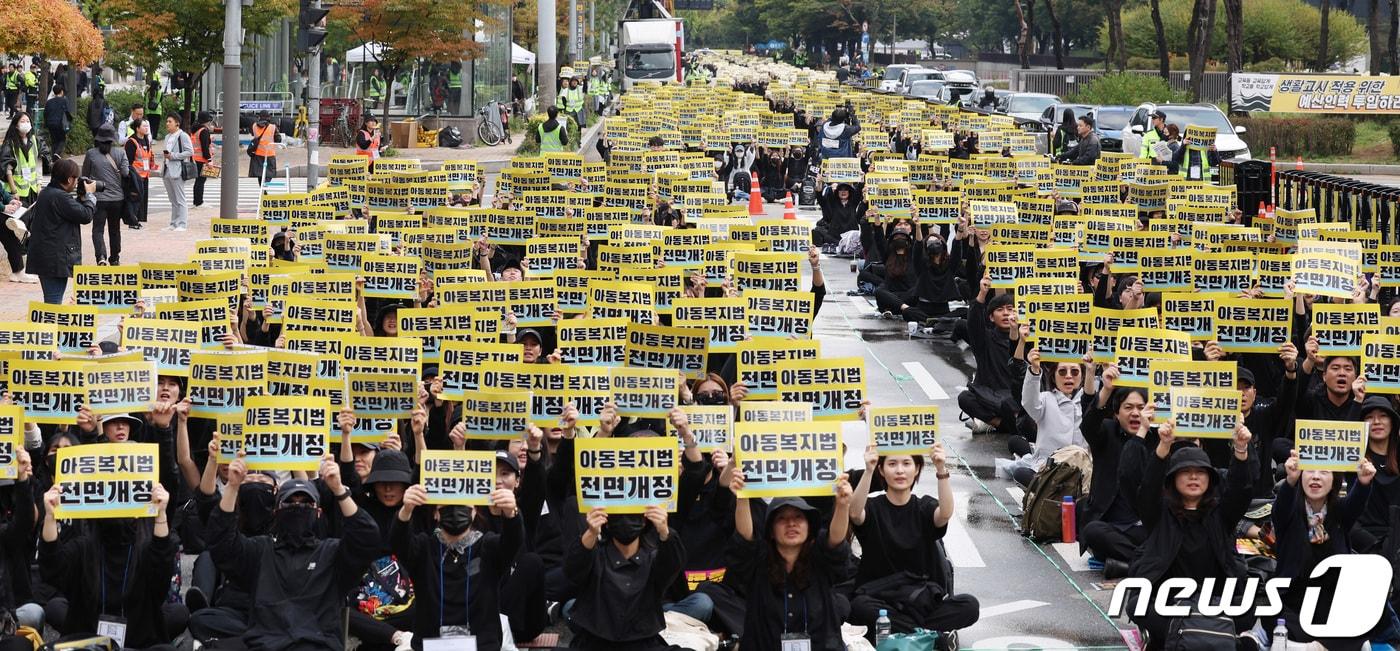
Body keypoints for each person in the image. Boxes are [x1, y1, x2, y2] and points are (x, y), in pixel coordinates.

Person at [206, 455, 381, 650]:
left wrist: (339, 490)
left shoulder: (332, 553)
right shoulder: (261, 551)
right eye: (290, 503)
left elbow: (367, 538)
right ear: (276, 512)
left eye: (306, 503)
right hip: (265, 644)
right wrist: (232, 487)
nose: (298, 507)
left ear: (318, 513)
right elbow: (222, 545)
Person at [1128, 421, 1258, 647]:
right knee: (1136, 604)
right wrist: (1163, 446)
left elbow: (1240, 491)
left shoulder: (1220, 514)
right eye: (1186, 472)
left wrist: (1240, 449)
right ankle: (1194, 632)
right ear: (1173, 479)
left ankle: (1199, 632)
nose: (1194, 478)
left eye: (1200, 472)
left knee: (1254, 607)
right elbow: (1147, 488)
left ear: (1210, 479)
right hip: (1169, 602)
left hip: (1216, 600)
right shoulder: (1160, 513)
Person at [849, 443, 979, 646]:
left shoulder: (925, 507)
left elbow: (944, 513)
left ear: (917, 468)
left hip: (921, 601)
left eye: (906, 463)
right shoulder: (872, 508)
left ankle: (912, 631)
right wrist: (868, 470)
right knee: (859, 606)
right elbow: (855, 513)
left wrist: (941, 469)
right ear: (882, 470)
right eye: (892, 464)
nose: (900, 470)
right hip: (881, 601)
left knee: (970, 605)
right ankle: (931, 634)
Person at [39, 481, 185, 650]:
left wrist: (161, 514)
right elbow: (52, 568)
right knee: (55, 606)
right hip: (88, 642)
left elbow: (161, 571)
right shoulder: (84, 547)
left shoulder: (145, 550)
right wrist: (50, 516)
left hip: (137, 640)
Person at [727, 472, 853, 651]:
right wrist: (742, 497)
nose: (791, 524)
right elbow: (745, 539)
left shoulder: (821, 558)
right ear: (770, 530)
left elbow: (836, 542)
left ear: (810, 528)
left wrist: (842, 505)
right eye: (782, 518)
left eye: (799, 517)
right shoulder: (758, 560)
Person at [391, 482, 523, 650]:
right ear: (435, 513)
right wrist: (406, 510)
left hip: (481, 645)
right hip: (429, 644)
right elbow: (398, 541)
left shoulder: (489, 546)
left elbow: (514, 541)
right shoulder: (423, 547)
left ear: (475, 511)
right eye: (447, 505)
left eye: (463, 505)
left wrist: (511, 513)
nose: (455, 510)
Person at [1272, 448, 1377, 649]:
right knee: (1276, 619)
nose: (1316, 477)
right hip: (1294, 599)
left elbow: (1356, 502)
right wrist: (1290, 480)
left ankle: (1318, 646)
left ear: (1334, 480)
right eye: (1310, 471)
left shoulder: (1340, 512)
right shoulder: (1290, 512)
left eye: (1324, 472)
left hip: (1333, 600)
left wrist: (1363, 482)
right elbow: (1280, 508)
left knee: (1362, 622)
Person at [564, 504, 685, 650]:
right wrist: (591, 532)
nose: (625, 521)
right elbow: (572, 571)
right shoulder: (595, 554)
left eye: (632, 515)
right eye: (618, 515)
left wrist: (665, 531)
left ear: (644, 520)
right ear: (607, 520)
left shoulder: (654, 559)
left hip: (643, 643)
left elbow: (673, 563)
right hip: (595, 642)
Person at [1007, 343, 1087, 486]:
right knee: (1021, 473)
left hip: (1081, 471)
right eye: (1062, 372)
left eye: (1074, 372)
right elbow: (1029, 401)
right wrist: (1034, 369)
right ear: (1054, 377)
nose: (1069, 376)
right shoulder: (1045, 398)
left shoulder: (1089, 402)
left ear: (1082, 376)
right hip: (1048, 469)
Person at [23, 158, 95, 304]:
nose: (76, 183)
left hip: (47, 257)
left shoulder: (48, 193)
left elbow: (72, 210)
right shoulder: (59, 196)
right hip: (54, 260)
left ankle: (49, 326)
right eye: (76, 179)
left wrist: (81, 198)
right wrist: (89, 195)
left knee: (52, 301)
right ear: (69, 179)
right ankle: (49, 327)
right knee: (53, 303)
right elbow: (85, 215)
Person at [80, 124, 129, 265]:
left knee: (98, 229)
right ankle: (115, 258)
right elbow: (126, 173)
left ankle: (101, 257)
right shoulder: (121, 153)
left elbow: (85, 176)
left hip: (98, 198)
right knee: (115, 230)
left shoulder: (91, 153)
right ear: (113, 139)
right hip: (117, 199)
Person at [160, 114, 192, 231]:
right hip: (167, 169)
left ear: (177, 123)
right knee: (172, 199)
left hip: (177, 169)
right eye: (167, 121)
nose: (167, 124)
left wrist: (173, 156)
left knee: (180, 198)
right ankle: (173, 223)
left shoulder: (183, 136)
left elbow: (189, 152)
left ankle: (182, 224)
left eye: (170, 121)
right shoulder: (167, 136)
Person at [124, 117, 156, 230]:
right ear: (137, 128)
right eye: (144, 126)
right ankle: (132, 221)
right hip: (135, 176)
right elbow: (128, 161)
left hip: (145, 175)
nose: (147, 128)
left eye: (147, 126)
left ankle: (139, 220)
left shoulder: (146, 139)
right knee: (134, 199)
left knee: (142, 199)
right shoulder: (131, 142)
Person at [189, 112, 214, 207]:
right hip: (202, 159)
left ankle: (197, 201)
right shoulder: (204, 131)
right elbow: (204, 147)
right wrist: (209, 160)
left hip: (196, 158)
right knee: (200, 181)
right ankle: (199, 202)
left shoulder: (195, 129)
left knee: (198, 181)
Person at [248, 110, 279, 186]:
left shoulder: (254, 126)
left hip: (258, 153)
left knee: (259, 173)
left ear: (259, 117)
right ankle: (265, 184)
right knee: (270, 172)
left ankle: (262, 187)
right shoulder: (273, 127)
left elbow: (253, 134)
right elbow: (278, 139)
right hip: (269, 154)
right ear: (268, 117)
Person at [43, 84, 71, 157]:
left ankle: (53, 157)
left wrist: (46, 123)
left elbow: (45, 113)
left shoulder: (49, 102)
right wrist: (70, 120)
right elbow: (67, 112)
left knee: (54, 141)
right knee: (62, 139)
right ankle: (57, 153)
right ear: (61, 92)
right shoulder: (64, 101)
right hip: (60, 124)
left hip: (50, 123)